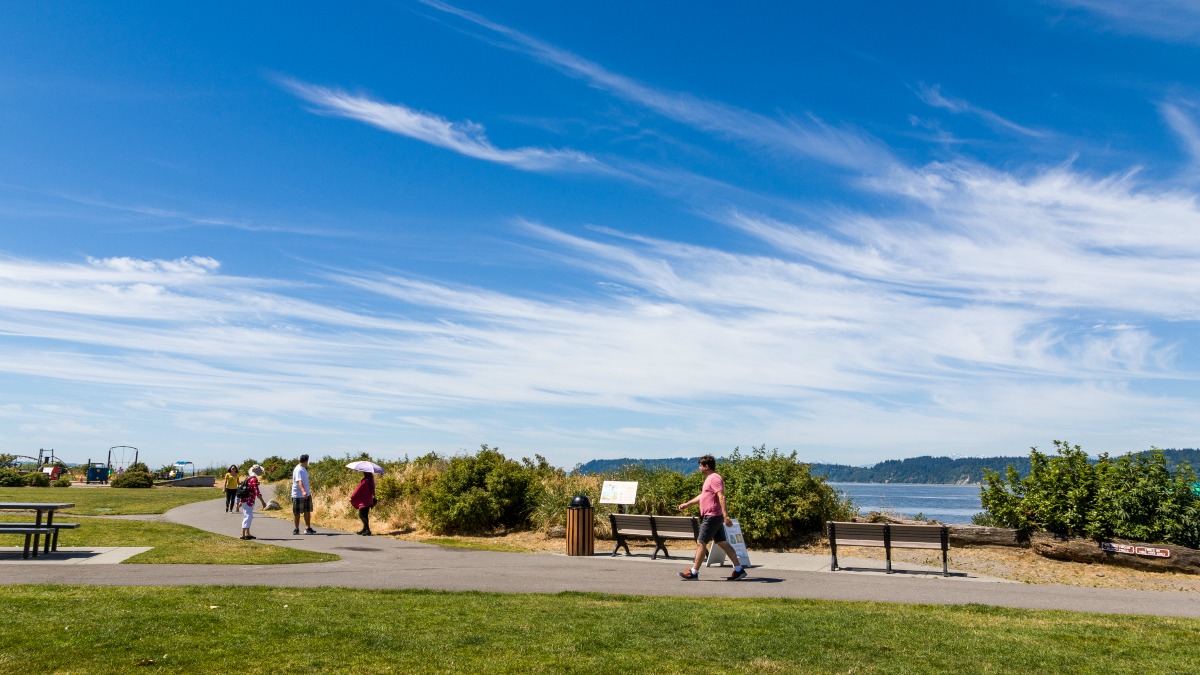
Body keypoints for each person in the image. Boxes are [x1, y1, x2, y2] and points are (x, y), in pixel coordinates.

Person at [677, 454, 748, 581]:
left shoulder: (715, 478)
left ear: (707, 466)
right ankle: (738, 570)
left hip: (712, 516)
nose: (699, 468)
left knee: (701, 543)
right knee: (722, 542)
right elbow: (703, 496)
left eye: (700, 465)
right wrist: (687, 504)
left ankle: (693, 572)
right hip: (713, 516)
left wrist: (726, 516)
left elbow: (722, 496)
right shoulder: (709, 478)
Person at [238, 464, 267, 540]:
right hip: (249, 501)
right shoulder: (254, 479)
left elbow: (244, 490)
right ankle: (242, 534)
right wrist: (263, 502)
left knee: (246, 516)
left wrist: (241, 501)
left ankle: (247, 533)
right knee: (248, 516)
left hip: (245, 500)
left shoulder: (248, 478)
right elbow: (257, 492)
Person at [291, 454, 316, 535]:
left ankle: (307, 528)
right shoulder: (298, 469)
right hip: (298, 495)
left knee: (307, 511)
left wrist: (306, 492)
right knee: (297, 512)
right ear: (306, 461)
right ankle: (296, 529)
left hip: (306, 494)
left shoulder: (303, 468)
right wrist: (303, 491)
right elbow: (299, 481)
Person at [349, 470, 376, 536]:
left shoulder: (364, 481)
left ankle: (367, 530)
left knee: (362, 515)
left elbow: (357, 490)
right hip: (369, 500)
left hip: (363, 501)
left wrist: (352, 497)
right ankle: (364, 529)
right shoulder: (370, 480)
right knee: (365, 515)